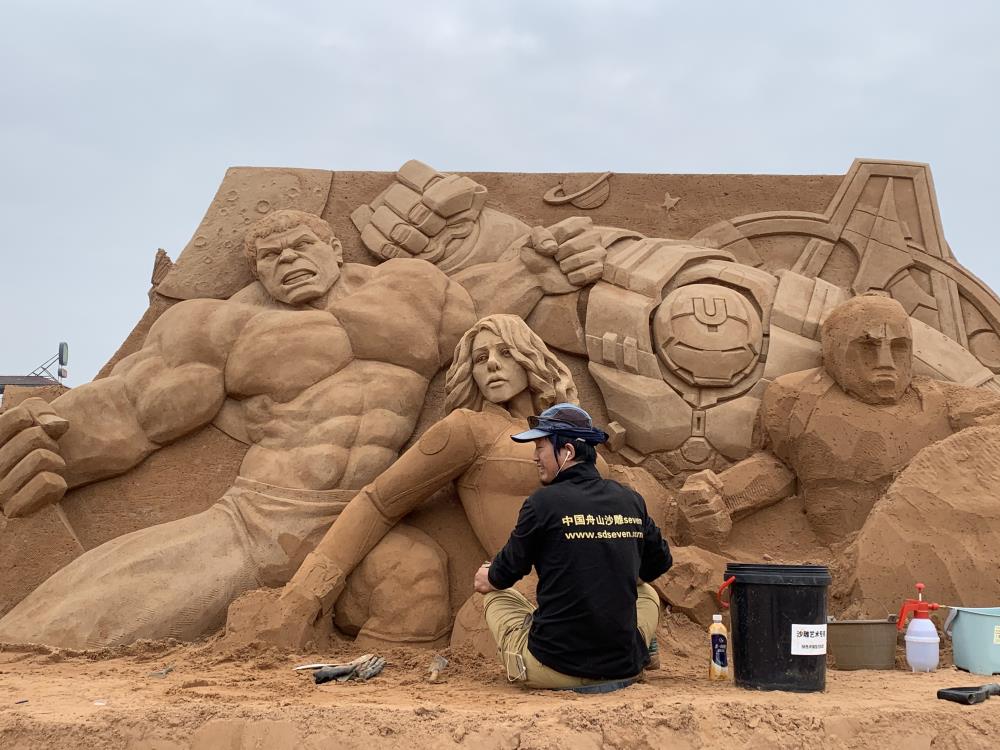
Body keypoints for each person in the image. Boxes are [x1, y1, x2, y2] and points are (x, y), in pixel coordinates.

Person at [0, 209, 599, 649]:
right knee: (66, 629)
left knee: (416, 584)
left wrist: (542, 266)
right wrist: (51, 445)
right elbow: (132, 411)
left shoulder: (414, 295)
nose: (286, 261)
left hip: (365, 519)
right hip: (260, 522)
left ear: (335, 248)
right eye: (270, 257)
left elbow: (496, 324)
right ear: (256, 274)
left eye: (299, 246)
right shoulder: (224, 330)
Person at [242, 313, 593, 648]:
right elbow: (378, 502)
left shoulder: (573, 430)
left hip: (594, 573)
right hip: (525, 586)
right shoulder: (467, 428)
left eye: (505, 352)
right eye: (480, 357)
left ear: (530, 358)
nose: (491, 364)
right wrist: (305, 595)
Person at [473, 403, 672, 691]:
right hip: (621, 668)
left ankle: (533, 663)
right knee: (646, 592)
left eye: (540, 447)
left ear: (567, 451)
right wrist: (619, 574)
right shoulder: (629, 499)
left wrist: (487, 577)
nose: (535, 457)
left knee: (494, 594)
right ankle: (642, 650)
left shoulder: (542, 503)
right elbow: (660, 563)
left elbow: (504, 575)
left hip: (554, 669)